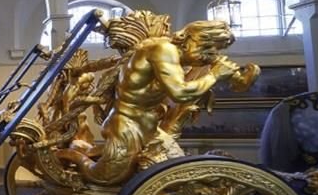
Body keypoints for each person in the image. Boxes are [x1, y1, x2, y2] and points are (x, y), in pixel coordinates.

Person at [61, 18, 254, 185]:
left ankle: (84, 148)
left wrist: (234, 78)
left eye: (215, 51)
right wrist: (215, 75)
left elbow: (194, 73)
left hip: (149, 129)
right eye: (208, 48)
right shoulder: (163, 50)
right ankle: (74, 155)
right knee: (104, 177)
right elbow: (180, 93)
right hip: (127, 126)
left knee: (176, 172)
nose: (211, 56)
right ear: (190, 40)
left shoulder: (175, 55)